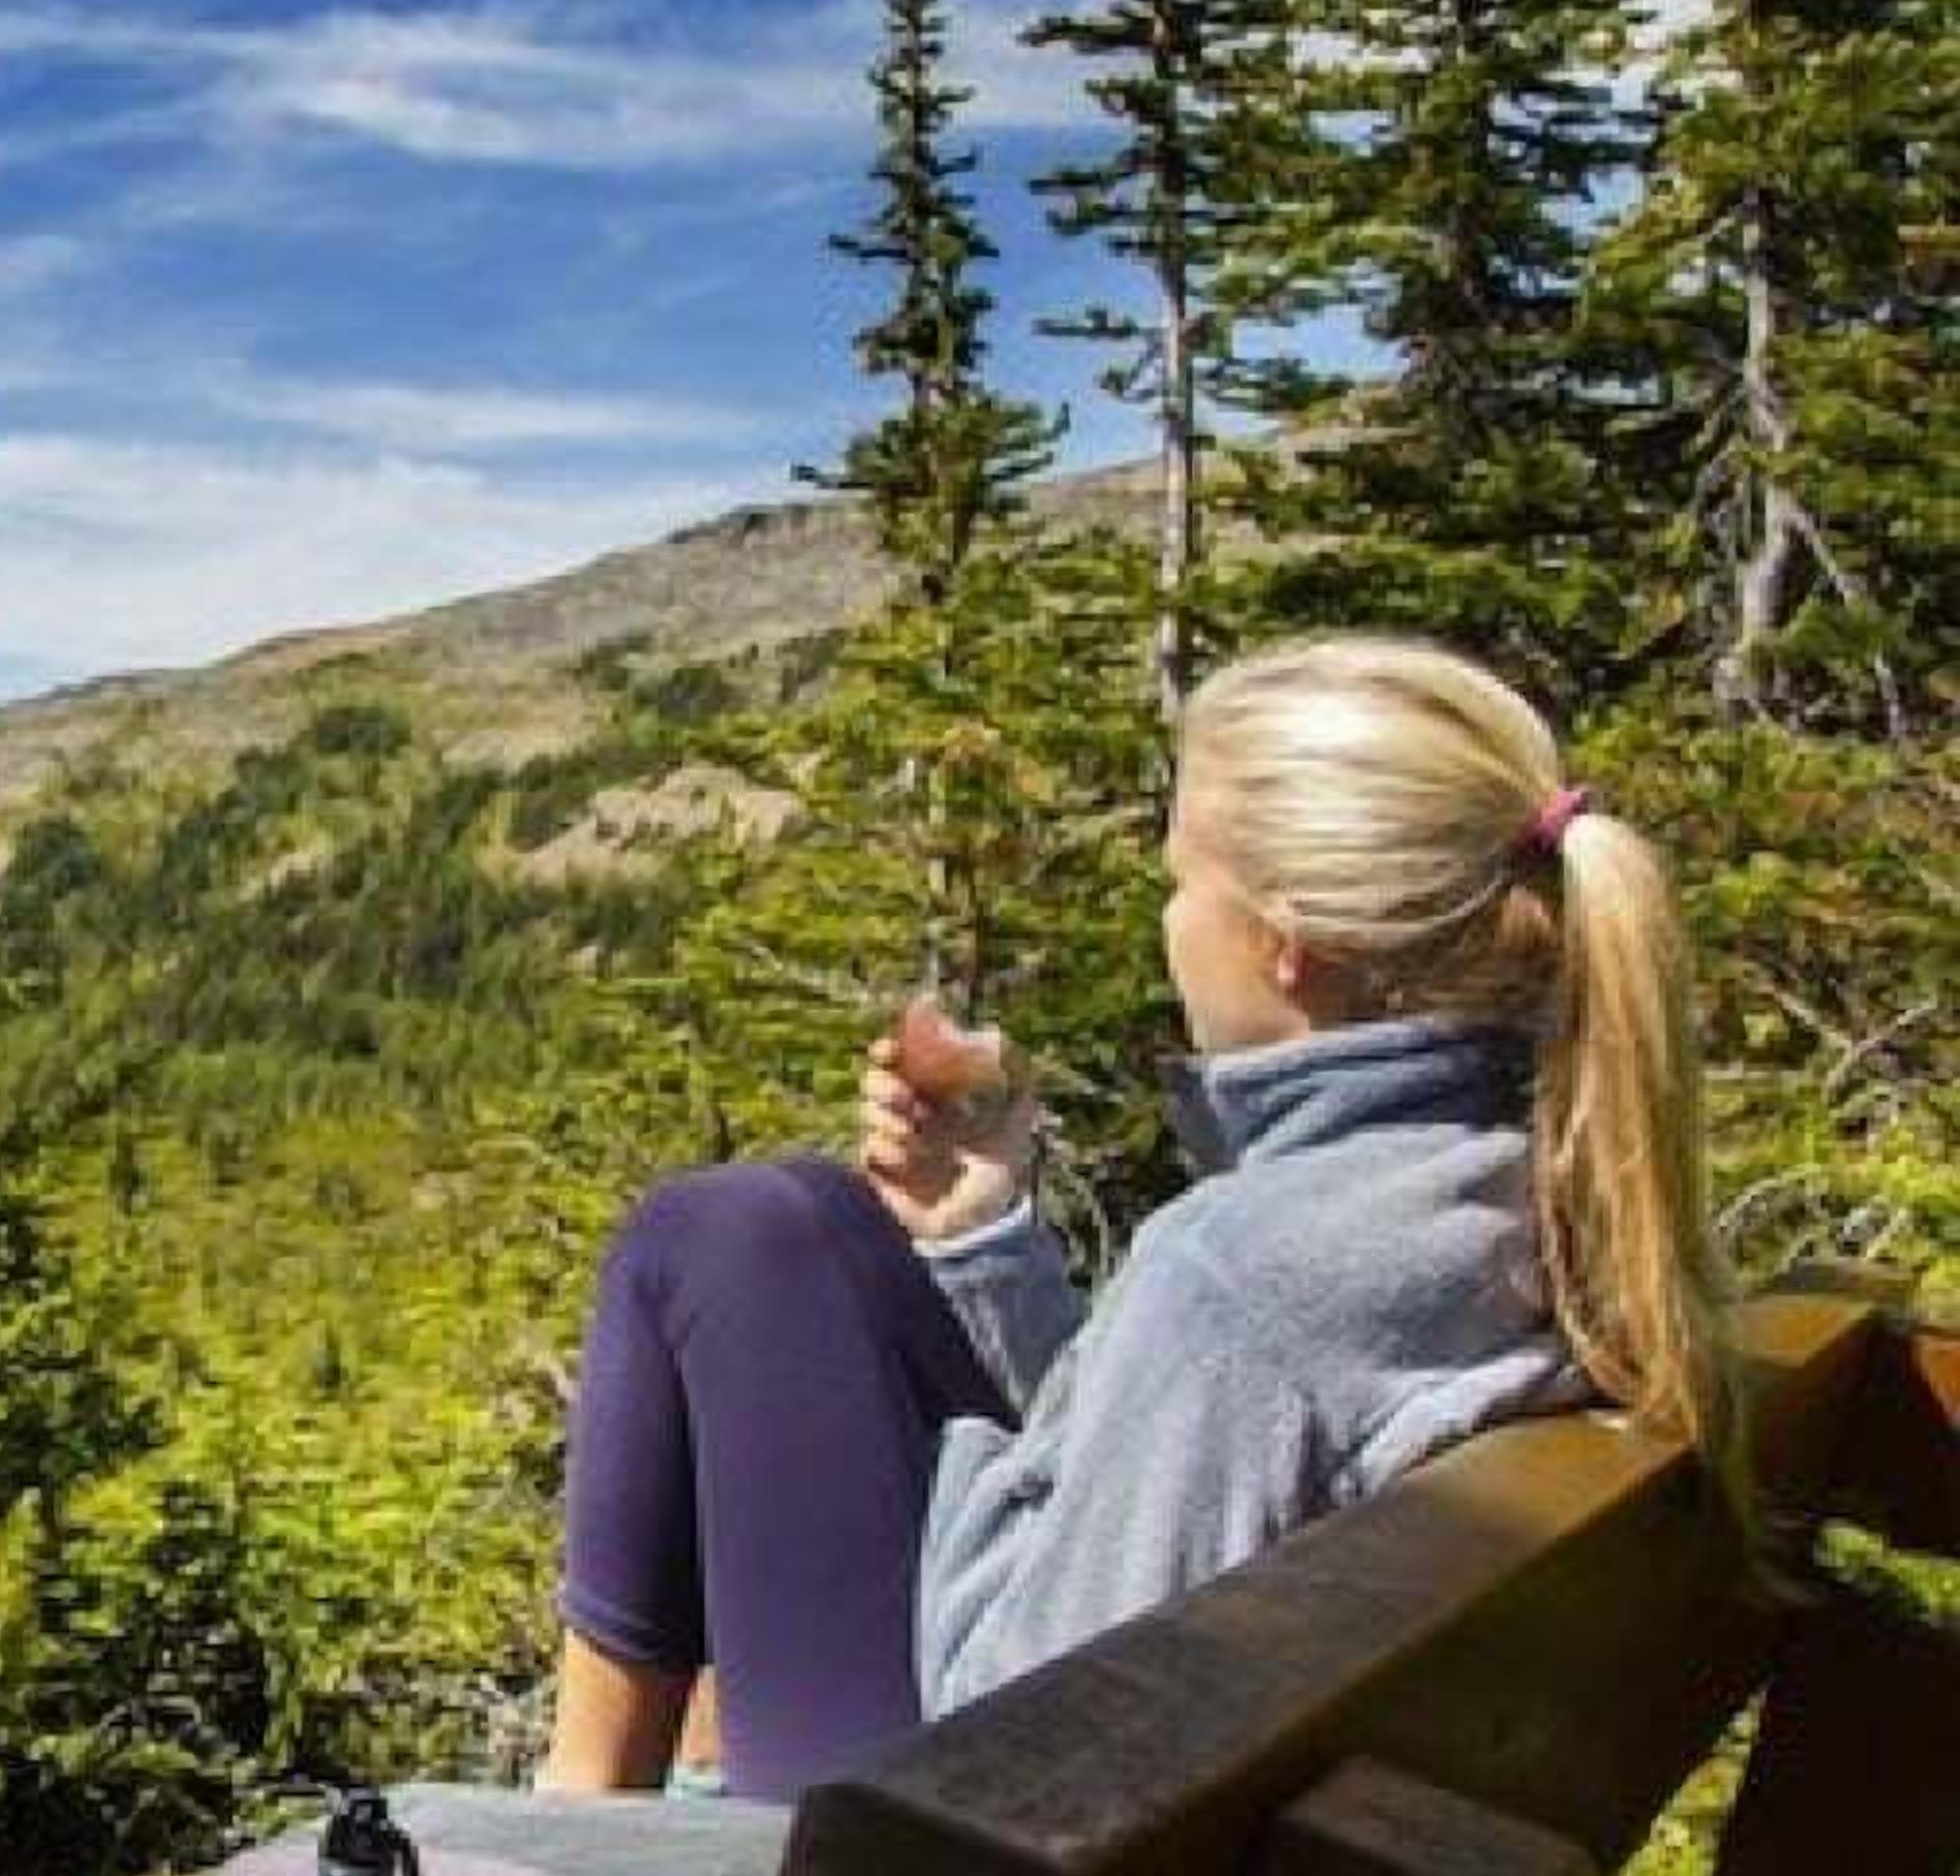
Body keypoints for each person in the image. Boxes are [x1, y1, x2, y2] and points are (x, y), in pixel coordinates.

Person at [536, 634, 1732, 1802]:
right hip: (1270, 1855)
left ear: (1285, 946)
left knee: (706, 1241)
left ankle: (577, 1831)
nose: (1166, 921)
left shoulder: (1247, 1271)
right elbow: (1188, 1467)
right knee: (781, 1222)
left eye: (1179, 879)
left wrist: (956, 1462)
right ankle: (591, 1812)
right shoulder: (1550, 1171)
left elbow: (1019, 1735)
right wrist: (984, 1235)